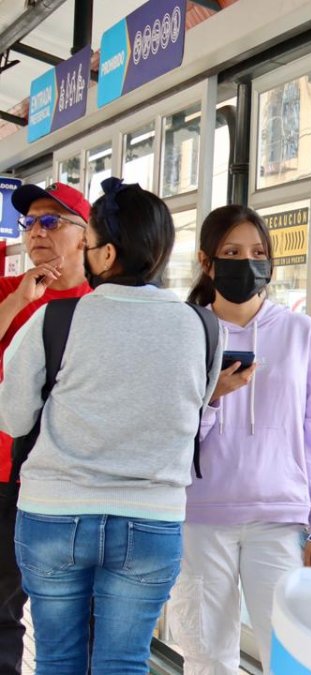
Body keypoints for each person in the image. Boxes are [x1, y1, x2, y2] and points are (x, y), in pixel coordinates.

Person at [0, 178, 221, 674]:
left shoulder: (55, 319)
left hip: (54, 514)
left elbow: (12, 418)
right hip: (151, 518)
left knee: (58, 659)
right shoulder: (204, 327)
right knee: (122, 661)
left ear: (105, 253)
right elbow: (194, 413)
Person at [167, 204, 311, 674]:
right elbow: (167, 429)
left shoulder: (300, 332)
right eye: (231, 252)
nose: (246, 262)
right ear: (206, 261)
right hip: (199, 517)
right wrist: (213, 397)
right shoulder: (187, 331)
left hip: (281, 519)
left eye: (258, 252)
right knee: (206, 656)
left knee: (289, 654)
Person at [0, 182, 92, 675]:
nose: (36, 231)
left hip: (71, 481)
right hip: (4, 475)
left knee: (71, 615)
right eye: (29, 222)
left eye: (51, 221)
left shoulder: (102, 302)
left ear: (86, 236)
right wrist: (19, 299)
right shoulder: (8, 291)